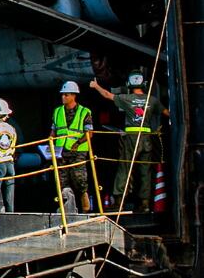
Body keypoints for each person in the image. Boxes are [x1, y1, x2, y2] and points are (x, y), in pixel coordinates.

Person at [90, 72, 164, 214]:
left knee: (125, 168)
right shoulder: (152, 100)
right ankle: (145, 204)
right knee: (145, 171)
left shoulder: (126, 98)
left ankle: (119, 203)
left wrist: (96, 86)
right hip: (147, 139)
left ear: (129, 84)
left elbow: (107, 95)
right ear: (144, 84)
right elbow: (166, 112)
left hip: (131, 138)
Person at [49, 80, 93, 212]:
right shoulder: (57, 111)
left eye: (66, 95)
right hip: (61, 151)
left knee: (79, 179)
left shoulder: (84, 112)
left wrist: (78, 143)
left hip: (78, 151)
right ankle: (66, 207)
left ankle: (85, 206)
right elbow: (54, 130)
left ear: (74, 95)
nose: (63, 97)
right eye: (62, 94)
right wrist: (50, 140)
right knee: (62, 180)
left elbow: (89, 133)